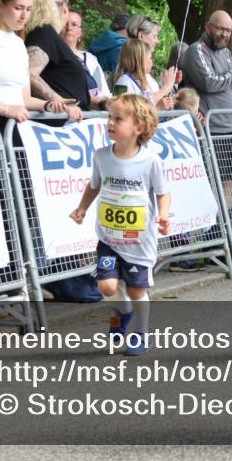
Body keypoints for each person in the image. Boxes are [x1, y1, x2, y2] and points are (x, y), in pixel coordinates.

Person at [69, 94, 170, 355]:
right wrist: (81, 208)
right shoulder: (102, 156)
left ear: (139, 128)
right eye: (109, 117)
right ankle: (120, 318)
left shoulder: (151, 162)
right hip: (109, 239)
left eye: (118, 119)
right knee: (107, 287)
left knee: (136, 291)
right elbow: (95, 185)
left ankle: (141, 334)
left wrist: (163, 215)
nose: (110, 123)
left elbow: (162, 193)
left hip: (138, 243)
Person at [181, 10, 232, 197]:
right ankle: (209, 224)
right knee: (210, 181)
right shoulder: (196, 51)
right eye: (221, 29)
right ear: (209, 27)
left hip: (229, 128)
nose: (225, 34)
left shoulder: (225, 52)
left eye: (229, 30)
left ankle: (221, 223)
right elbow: (210, 82)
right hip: (210, 129)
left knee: (230, 178)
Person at [24, 0, 89, 114]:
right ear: (62, 7)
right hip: (60, 122)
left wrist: (100, 102)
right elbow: (29, 74)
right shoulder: (44, 33)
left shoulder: (47, 34)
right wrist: (57, 100)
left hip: (71, 119)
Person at [127, 15, 180, 109]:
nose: (158, 41)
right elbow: (144, 105)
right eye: (154, 36)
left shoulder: (141, 70)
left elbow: (152, 97)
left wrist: (169, 83)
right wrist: (167, 86)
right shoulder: (130, 69)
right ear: (141, 36)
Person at [60, 9, 111, 109]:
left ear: (80, 32)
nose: (69, 27)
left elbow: (102, 91)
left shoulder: (90, 59)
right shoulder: (50, 56)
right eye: (65, 23)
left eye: (74, 24)